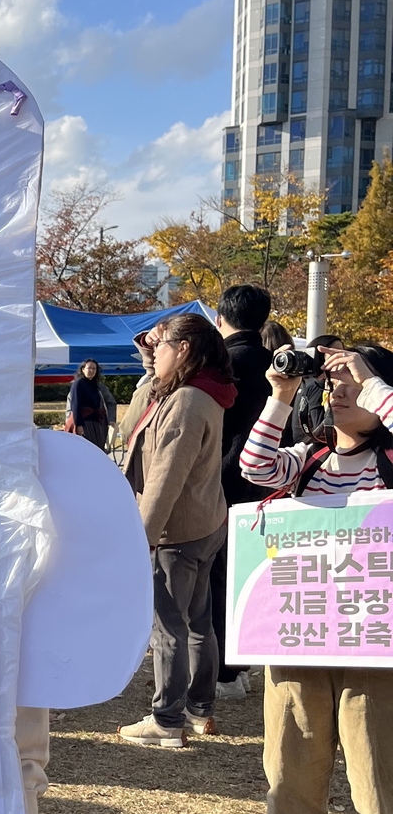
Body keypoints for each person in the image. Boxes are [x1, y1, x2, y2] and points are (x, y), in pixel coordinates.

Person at [240, 342, 393, 814]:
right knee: (291, 752)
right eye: (333, 383)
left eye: (352, 382)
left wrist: (369, 377)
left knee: (377, 760)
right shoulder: (309, 460)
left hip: (374, 643)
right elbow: (253, 468)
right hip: (299, 633)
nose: (341, 390)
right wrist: (280, 391)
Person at [118, 313, 236, 747]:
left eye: (162, 345)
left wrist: (141, 538)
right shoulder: (201, 391)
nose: (155, 352)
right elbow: (133, 425)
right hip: (204, 522)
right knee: (198, 621)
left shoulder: (186, 400)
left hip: (176, 531)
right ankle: (199, 710)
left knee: (169, 626)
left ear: (183, 350)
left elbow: (166, 477)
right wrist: (151, 358)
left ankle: (167, 719)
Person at [211, 285, 273, 702]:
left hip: (223, 482)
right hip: (270, 484)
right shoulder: (277, 364)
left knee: (220, 578)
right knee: (253, 577)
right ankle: (244, 664)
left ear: (221, 319)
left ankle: (225, 673)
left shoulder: (221, 364)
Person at [68, 358, 110, 449]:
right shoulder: (78, 383)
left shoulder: (95, 385)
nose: (91, 371)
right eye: (89, 368)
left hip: (96, 422)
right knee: (88, 448)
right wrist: (79, 425)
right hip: (85, 423)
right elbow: (75, 406)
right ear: (83, 369)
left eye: (94, 369)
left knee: (98, 447)